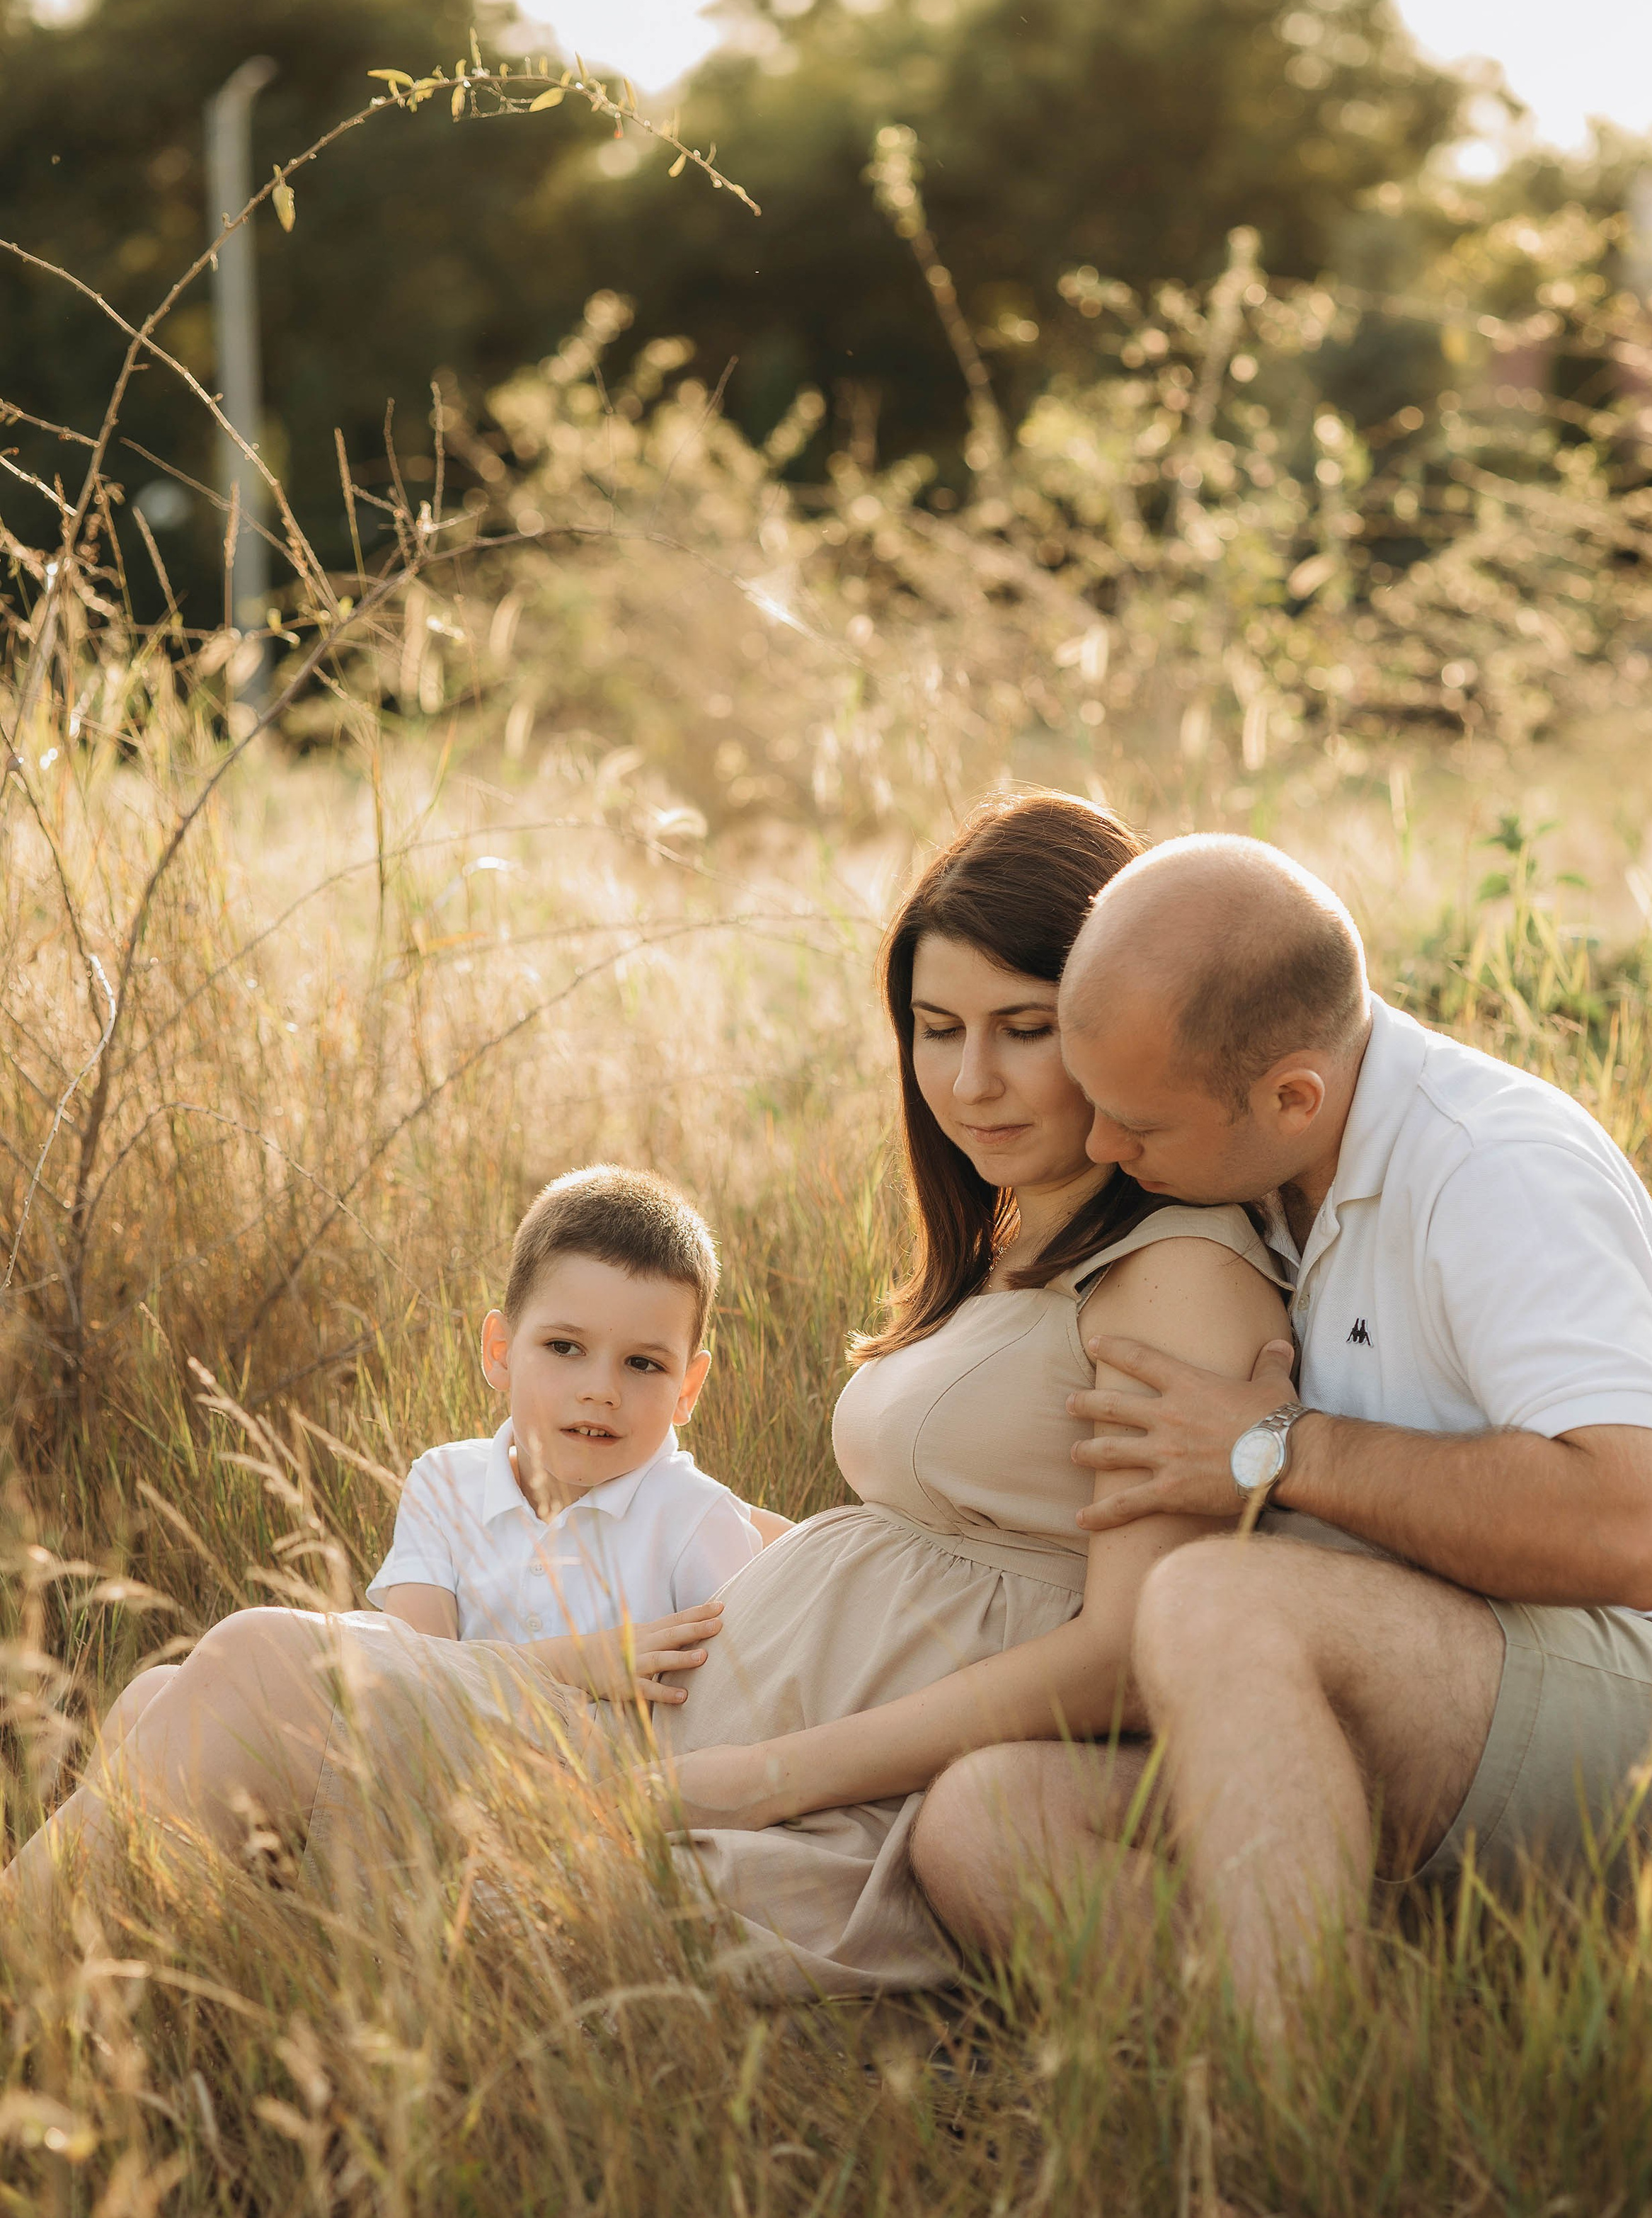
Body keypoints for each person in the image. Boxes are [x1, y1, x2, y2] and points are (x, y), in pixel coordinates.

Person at [1, 794, 1289, 1999]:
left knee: (258, 1671)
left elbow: (1127, 1657)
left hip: (803, 1776)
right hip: (717, 1709)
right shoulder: (1017, 1237)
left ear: (1120, 1018)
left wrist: (758, 1776)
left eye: (1025, 1028)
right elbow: (948, 1545)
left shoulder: (1175, 1271)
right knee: (163, 1709)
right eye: (938, 1030)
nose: (970, 1082)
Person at [910, 834, 1652, 2031]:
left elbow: (1640, 1529)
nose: (1106, 1148)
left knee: (1216, 1600)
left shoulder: (1494, 1170)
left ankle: (1282, 2108)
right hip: (1430, 1698)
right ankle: (1396, 2060)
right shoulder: (1256, 1173)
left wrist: (1283, 1448)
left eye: (1140, 1126)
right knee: (984, 1823)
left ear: (1294, 1096)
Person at [369, 1162, 782, 1704]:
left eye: (643, 1363)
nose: (601, 1391)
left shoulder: (698, 1521)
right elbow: (412, 1685)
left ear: (687, 1388)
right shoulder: (443, 1484)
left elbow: (741, 1708)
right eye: (564, 1348)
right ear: (501, 1352)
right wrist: (574, 1665)